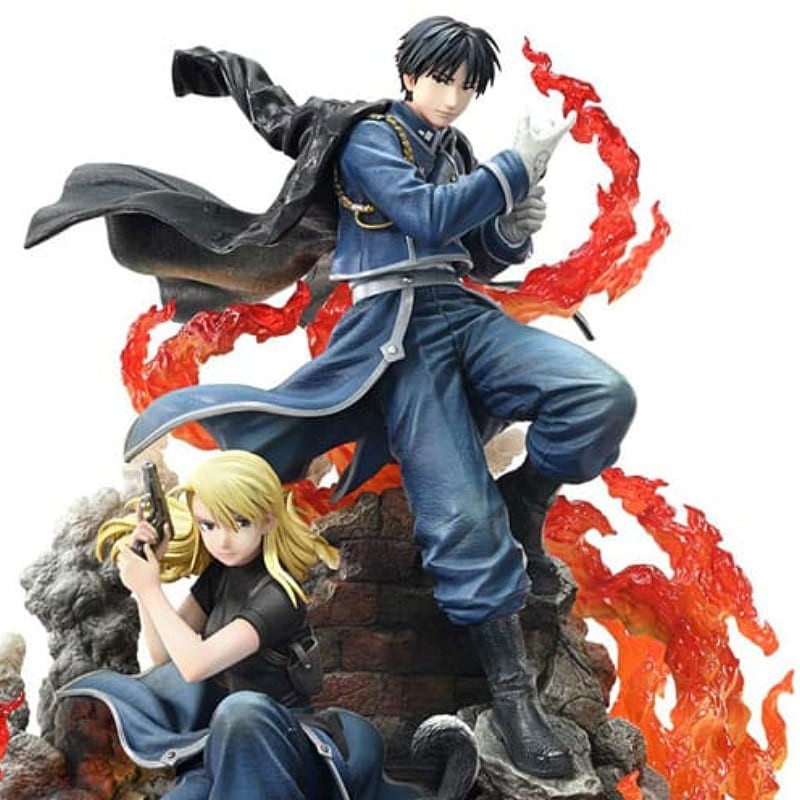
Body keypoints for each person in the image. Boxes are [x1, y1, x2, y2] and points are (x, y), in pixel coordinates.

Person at [34, 16, 635, 780]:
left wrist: (513, 228)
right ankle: (514, 699)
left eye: (467, 86)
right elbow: (424, 215)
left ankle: (527, 499)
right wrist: (513, 171)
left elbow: (471, 249)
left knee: (598, 396)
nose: (453, 98)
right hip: (398, 336)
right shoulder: (371, 139)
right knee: (460, 517)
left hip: (462, 314)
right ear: (409, 74)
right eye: (441, 79)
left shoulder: (454, 150)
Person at [59, 451, 437, 799]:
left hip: (279, 740)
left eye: (239, 523)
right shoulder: (220, 575)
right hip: (221, 742)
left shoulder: (280, 595)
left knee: (241, 710)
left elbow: (196, 665)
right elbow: (165, 657)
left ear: (268, 518)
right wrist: (147, 582)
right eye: (208, 525)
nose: (222, 540)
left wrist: (150, 588)